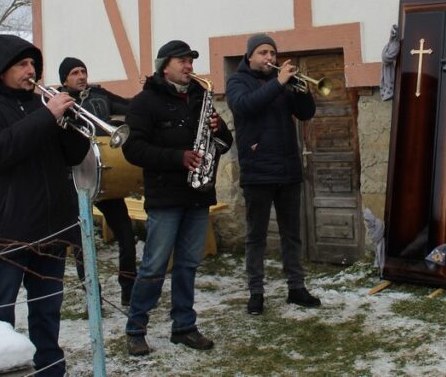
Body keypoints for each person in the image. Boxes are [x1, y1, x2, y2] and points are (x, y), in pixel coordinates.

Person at [0, 35, 89, 377]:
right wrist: (47, 117)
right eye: (22, 64)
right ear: (1, 69)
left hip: (51, 229)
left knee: (47, 312)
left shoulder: (38, 106)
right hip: (7, 232)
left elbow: (73, 156)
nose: (31, 71)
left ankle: (51, 369)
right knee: (1, 314)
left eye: (33, 64)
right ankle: (3, 370)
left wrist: (74, 122)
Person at [122, 40, 233, 357]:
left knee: (187, 265)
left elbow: (224, 143)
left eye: (190, 61)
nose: (189, 66)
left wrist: (220, 129)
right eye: (182, 61)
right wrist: (176, 157)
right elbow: (133, 149)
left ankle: (184, 326)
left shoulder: (201, 98)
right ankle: (135, 329)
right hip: (165, 197)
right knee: (154, 265)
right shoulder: (144, 102)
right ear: (164, 65)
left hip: (198, 195)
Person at [226, 33, 319, 315]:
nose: (270, 58)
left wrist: (301, 90)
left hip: (288, 168)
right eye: (264, 53)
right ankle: (256, 292)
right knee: (256, 236)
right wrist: (278, 84)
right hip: (258, 171)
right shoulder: (236, 81)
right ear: (250, 56)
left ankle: (296, 288)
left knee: (292, 233)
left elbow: (306, 113)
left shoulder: (284, 84)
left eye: (273, 53)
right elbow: (244, 106)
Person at [57, 56, 137, 304]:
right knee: (83, 240)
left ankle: (128, 288)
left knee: (126, 234)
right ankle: (93, 294)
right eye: (74, 73)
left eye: (83, 71)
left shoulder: (99, 96)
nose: (81, 76)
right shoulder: (58, 103)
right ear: (64, 80)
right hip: (75, 180)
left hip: (104, 175)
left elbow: (128, 106)